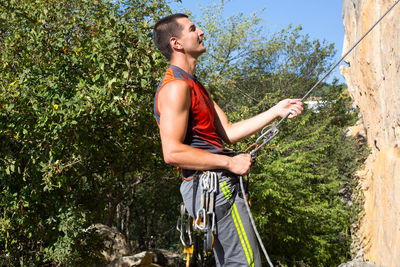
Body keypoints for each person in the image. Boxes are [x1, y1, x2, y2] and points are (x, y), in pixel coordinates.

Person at [153, 13, 303, 267]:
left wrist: (276, 110)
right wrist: (229, 164)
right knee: (246, 263)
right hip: (212, 185)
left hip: (212, 186)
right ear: (177, 43)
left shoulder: (195, 85)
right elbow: (172, 152)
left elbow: (229, 132)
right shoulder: (176, 87)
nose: (201, 32)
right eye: (193, 29)